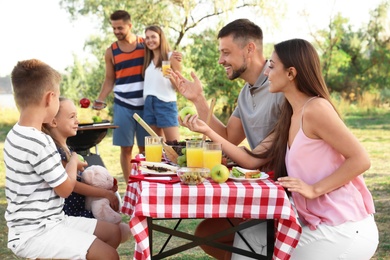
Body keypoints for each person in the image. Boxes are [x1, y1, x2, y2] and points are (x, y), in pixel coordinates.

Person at [179, 38, 379, 259]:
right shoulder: (290, 115)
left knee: (262, 249)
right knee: (246, 240)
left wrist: (314, 189)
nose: (266, 73)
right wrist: (207, 131)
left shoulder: (316, 109)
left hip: (344, 227)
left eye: (272, 67)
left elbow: (361, 159)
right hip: (312, 220)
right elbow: (252, 160)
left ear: (291, 73)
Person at [171, 18, 284, 259]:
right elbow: (227, 137)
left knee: (210, 234)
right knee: (205, 234)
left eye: (226, 52)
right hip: (257, 184)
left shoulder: (280, 86)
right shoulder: (246, 92)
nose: (221, 60)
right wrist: (198, 100)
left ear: (249, 49)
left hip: (280, 193)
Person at [4, 59, 121, 259]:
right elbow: (65, 189)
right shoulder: (40, 142)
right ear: (50, 98)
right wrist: (74, 162)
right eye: (58, 98)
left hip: (51, 220)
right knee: (109, 256)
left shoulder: (15, 134)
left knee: (112, 233)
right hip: (36, 232)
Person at [94, 10, 181, 183]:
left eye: (120, 28)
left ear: (130, 26)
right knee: (126, 149)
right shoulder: (111, 51)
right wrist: (100, 99)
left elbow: (163, 52)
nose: (116, 31)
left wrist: (174, 57)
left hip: (146, 105)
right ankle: (131, 185)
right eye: (114, 28)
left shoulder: (145, 44)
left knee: (148, 147)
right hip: (122, 104)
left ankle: (149, 181)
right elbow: (109, 79)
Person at [42, 97, 120, 219]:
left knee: (120, 229)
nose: (77, 121)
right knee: (117, 230)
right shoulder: (56, 152)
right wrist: (106, 193)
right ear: (54, 122)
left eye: (76, 116)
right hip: (72, 213)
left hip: (81, 206)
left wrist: (105, 186)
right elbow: (75, 186)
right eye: (72, 117)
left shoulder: (68, 148)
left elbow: (80, 179)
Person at [142, 25, 181, 142]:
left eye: (153, 37)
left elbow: (179, 87)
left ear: (161, 37)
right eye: (147, 38)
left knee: (174, 146)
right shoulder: (148, 60)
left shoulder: (171, 57)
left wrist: (171, 77)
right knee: (156, 147)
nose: (150, 40)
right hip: (149, 103)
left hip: (165, 103)